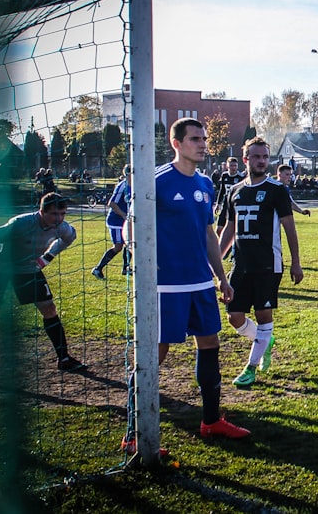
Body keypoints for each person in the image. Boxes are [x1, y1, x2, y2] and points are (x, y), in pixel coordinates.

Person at [122, 118, 249, 456]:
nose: (203, 144)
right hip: (166, 288)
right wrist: (142, 257)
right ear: (176, 142)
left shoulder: (206, 184)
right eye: (195, 139)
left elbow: (209, 234)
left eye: (204, 138)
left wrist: (221, 277)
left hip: (201, 283)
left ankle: (210, 421)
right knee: (153, 355)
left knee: (209, 345)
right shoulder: (157, 182)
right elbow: (127, 228)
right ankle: (134, 433)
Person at [0, 192, 86, 385]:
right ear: (41, 211)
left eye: (63, 213)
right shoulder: (20, 224)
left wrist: (47, 258)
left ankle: (64, 359)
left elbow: (69, 239)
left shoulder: (63, 228)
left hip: (27, 270)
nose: (59, 219)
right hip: (0, 270)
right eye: (54, 214)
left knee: (49, 308)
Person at [219, 138, 304, 388]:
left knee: (263, 314)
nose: (262, 161)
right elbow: (229, 229)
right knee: (234, 316)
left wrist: (296, 263)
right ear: (246, 159)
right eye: (256, 157)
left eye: (265, 157)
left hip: (268, 264)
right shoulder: (234, 191)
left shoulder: (276, 190)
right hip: (241, 265)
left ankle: (251, 367)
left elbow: (290, 228)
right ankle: (264, 341)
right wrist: (216, 261)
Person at [91, 165, 132, 280]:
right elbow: (112, 204)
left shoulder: (135, 186)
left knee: (130, 243)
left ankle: (126, 268)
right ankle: (98, 269)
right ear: (128, 173)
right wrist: (123, 214)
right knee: (118, 247)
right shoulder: (122, 186)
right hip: (116, 220)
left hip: (126, 220)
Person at [212, 156, 245, 232]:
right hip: (226, 204)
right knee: (219, 229)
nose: (233, 168)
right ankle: (226, 244)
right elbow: (222, 190)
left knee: (234, 229)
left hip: (235, 205)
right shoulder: (224, 176)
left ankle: (232, 243)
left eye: (235, 166)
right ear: (227, 166)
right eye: (231, 166)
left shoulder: (240, 177)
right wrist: (218, 204)